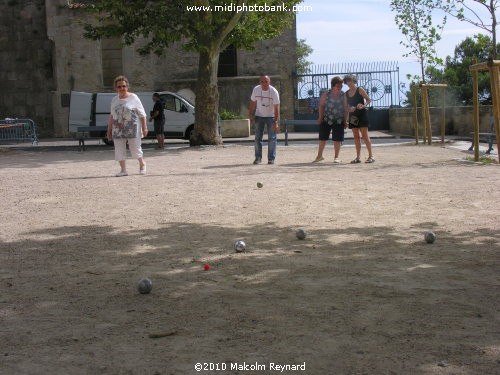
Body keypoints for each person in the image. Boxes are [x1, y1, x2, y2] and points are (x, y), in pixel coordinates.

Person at [106, 75, 148, 176]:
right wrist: (109, 130)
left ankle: (142, 164)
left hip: (132, 128)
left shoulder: (134, 98)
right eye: (119, 87)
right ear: (116, 88)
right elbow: (112, 115)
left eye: (123, 86)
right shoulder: (114, 100)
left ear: (127, 86)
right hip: (118, 128)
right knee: (119, 149)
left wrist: (144, 127)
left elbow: (142, 114)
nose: (122, 88)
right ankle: (123, 170)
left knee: (134, 148)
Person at [313, 76, 348, 163]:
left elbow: (346, 108)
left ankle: (336, 157)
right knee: (322, 138)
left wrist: (346, 120)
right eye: (338, 85)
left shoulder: (343, 95)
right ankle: (319, 156)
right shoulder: (327, 93)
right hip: (326, 119)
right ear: (333, 85)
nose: (340, 87)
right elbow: (321, 106)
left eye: (341, 86)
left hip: (339, 120)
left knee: (337, 139)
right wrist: (320, 118)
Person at [249, 75, 280, 164]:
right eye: (262, 81)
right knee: (258, 138)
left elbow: (276, 108)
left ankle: (271, 158)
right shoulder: (256, 89)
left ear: (269, 82)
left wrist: (276, 121)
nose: (264, 83)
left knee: (272, 138)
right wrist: (250, 114)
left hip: (271, 116)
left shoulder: (274, 92)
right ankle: (258, 158)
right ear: (260, 82)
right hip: (259, 115)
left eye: (266, 81)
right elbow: (253, 102)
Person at [344, 74, 374, 163]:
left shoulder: (359, 89)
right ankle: (358, 158)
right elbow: (346, 107)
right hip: (353, 116)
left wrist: (363, 105)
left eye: (350, 81)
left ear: (354, 81)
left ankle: (371, 156)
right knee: (356, 137)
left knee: (365, 136)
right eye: (347, 81)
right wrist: (350, 109)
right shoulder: (346, 94)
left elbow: (368, 99)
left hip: (362, 115)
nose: (349, 83)